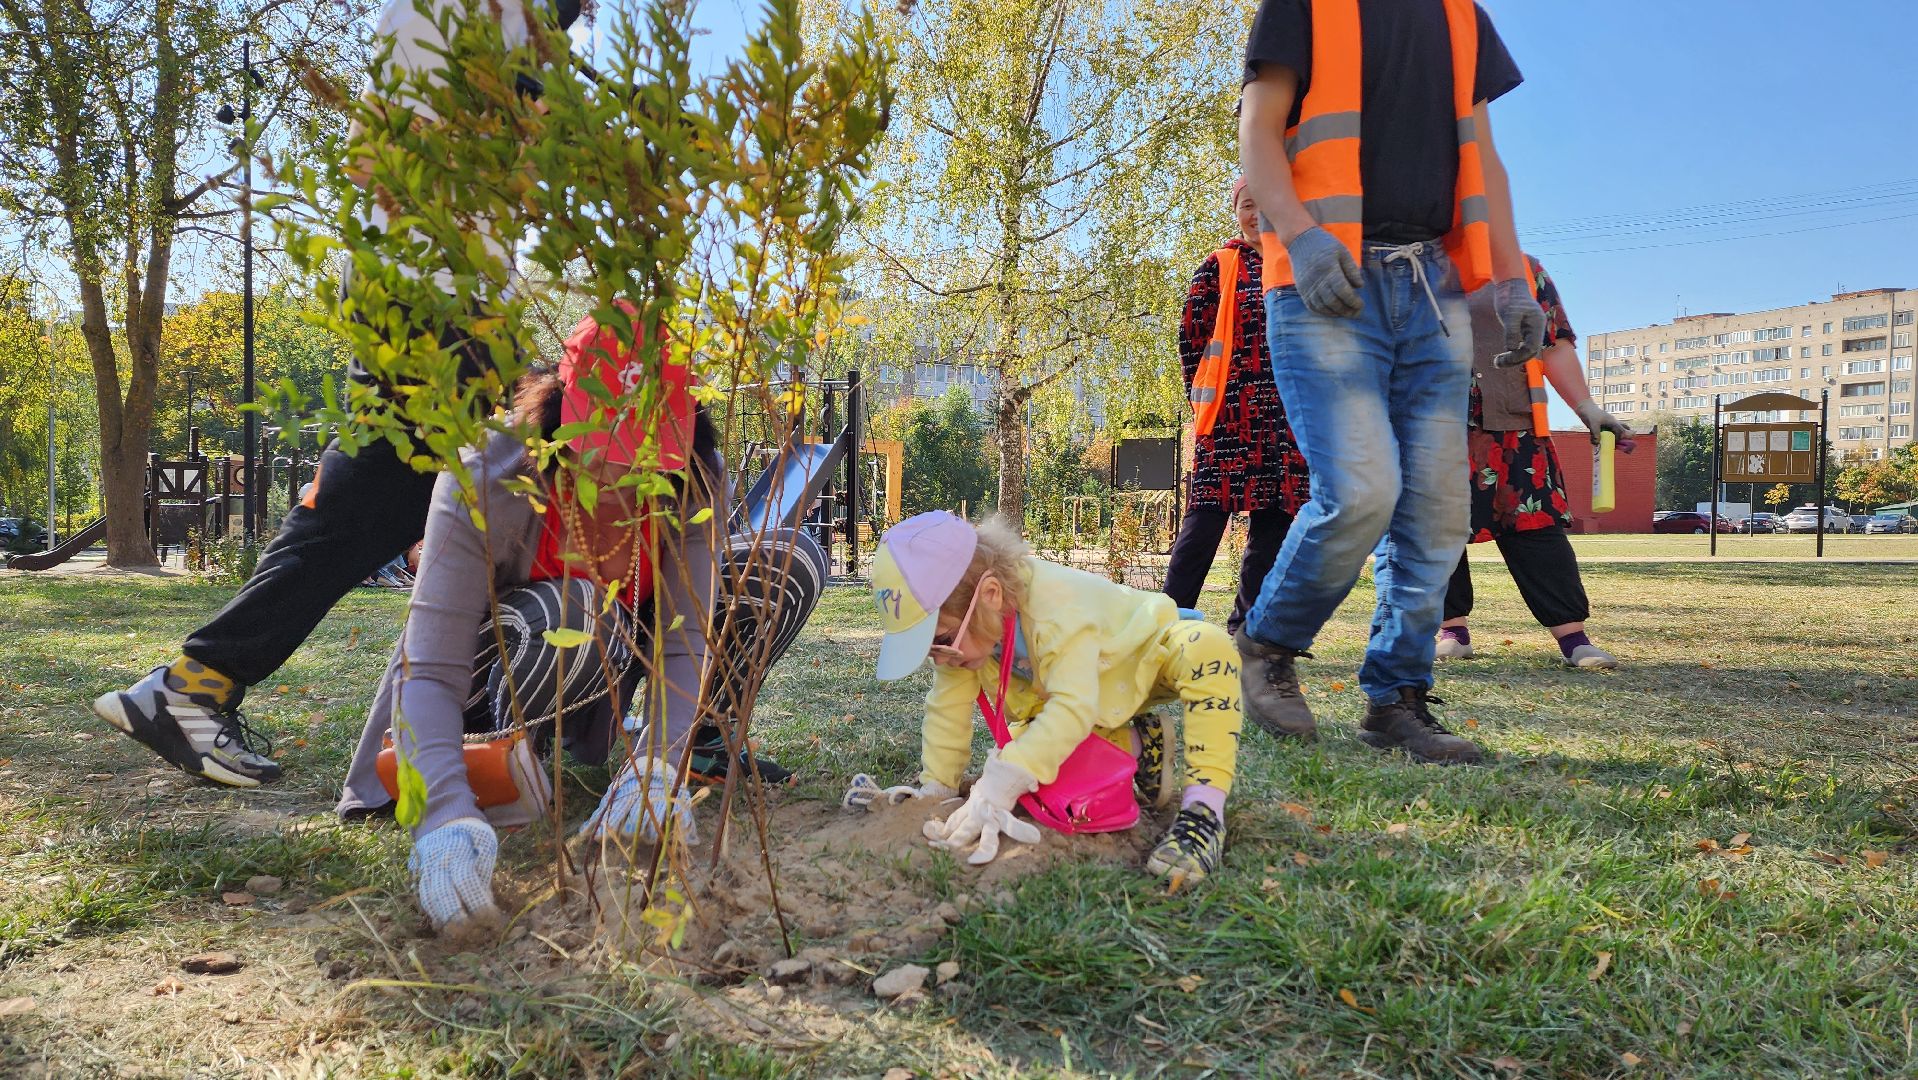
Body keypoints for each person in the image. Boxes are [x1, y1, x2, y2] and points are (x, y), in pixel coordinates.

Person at [91, 0, 579, 787]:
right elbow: (402, 149)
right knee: (501, 488)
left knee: (375, 505)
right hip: (434, 294)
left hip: (439, 290)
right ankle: (484, 722)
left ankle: (194, 687)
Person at [336, 312, 820, 933]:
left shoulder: (697, 477)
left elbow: (685, 635)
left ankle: (688, 752)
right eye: (605, 452)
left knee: (786, 561)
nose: (621, 478)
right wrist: (443, 814)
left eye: (647, 452)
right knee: (576, 611)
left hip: (615, 647)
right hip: (499, 669)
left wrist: (658, 765)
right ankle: (503, 766)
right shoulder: (488, 477)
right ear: (559, 413)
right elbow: (430, 667)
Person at [1233, 0, 1539, 765]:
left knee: (1437, 514)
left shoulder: (1462, 15)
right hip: (1325, 278)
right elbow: (1257, 129)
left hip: (1431, 285)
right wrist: (1300, 238)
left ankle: (1396, 698)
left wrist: (1513, 281)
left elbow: (1487, 162)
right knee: (1363, 490)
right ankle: (1266, 643)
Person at [867, 512, 1247, 882]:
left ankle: (1203, 813)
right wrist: (937, 790)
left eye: (942, 641)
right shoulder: (963, 635)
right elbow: (946, 710)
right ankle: (1138, 744)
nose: (939, 656)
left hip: (1142, 660)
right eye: (928, 649)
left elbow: (1072, 706)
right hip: (1083, 694)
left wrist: (1006, 778)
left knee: (1208, 648)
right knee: (1036, 761)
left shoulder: (1055, 603)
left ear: (991, 595)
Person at [1437, 256, 1631, 669]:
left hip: (1515, 426)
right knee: (1434, 529)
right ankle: (1451, 629)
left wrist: (1587, 408)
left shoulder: (1522, 269)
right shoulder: (1406, 259)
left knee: (1536, 527)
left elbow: (1555, 344)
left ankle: (1574, 638)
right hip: (1430, 423)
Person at [1162, 179, 1311, 637]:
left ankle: (1245, 632)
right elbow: (1191, 338)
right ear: (1237, 212)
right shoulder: (1218, 266)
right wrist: (1206, 396)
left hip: (1286, 424)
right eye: (1248, 205)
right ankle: (1161, 627)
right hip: (1228, 419)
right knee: (1203, 522)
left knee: (1274, 526)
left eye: (1266, 203)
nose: (1257, 214)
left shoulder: (1301, 266)